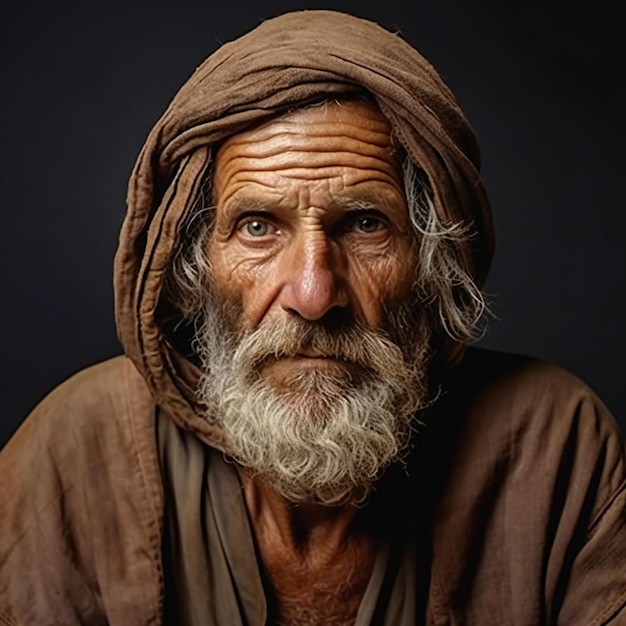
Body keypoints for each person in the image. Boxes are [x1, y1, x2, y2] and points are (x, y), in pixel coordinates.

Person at [0, 9, 624, 625]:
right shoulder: (76, 450)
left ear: (432, 260)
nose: (313, 293)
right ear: (196, 263)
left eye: (366, 224)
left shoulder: (553, 445)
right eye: (256, 227)